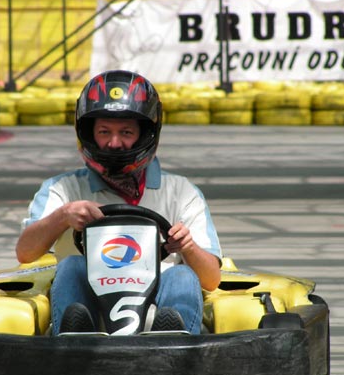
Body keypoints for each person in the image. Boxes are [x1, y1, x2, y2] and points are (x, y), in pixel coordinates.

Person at [16, 70, 221, 335]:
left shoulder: (181, 192)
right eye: (104, 132)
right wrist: (63, 216)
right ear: (88, 133)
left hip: (157, 308)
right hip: (90, 308)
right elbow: (25, 253)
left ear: (145, 134)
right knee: (72, 266)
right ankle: (75, 340)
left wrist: (188, 247)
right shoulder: (63, 189)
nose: (114, 143)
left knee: (182, 275)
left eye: (126, 132)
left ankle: (172, 343)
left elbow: (211, 280)